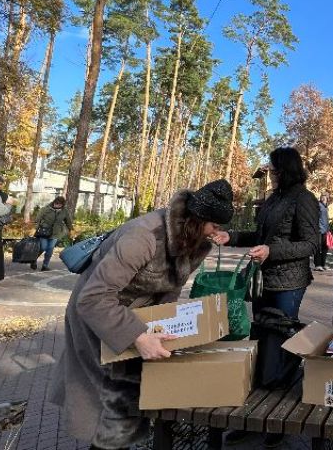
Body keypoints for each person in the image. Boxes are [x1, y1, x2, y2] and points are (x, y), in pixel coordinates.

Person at [48, 179, 235, 450]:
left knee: (130, 401)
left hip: (138, 317)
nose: (216, 233)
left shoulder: (194, 241)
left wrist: (166, 326)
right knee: (114, 404)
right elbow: (93, 299)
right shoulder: (143, 237)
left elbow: (172, 288)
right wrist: (138, 335)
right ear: (197, 219)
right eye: (215, 226)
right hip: (101, 316)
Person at [224, 147, 319, 321]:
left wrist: (271, 251)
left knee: (279, 336)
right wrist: (231, 237)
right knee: (260, 332)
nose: (271, 176)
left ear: (285, 171)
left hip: (288, 285)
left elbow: (311, 244)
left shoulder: (304, 199)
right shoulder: (274, 198)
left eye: (274, 172)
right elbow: (262, 236)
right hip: (264, 279)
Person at [32, 196, 73, 271]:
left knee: (50, 250)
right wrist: (34, 228)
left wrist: (71, 230)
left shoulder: (64, 211)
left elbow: (68, 222)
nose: (57, 205)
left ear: (62, 205)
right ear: (54, 202)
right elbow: (38, 219)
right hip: (44, 232)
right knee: (43, 247)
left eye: (59, 204)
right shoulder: (46, 209)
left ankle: (45, 265)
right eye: (56, 203)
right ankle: (33, 260)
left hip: (55, 233)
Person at [314, 193, 331, 272]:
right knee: (318, 247)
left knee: (325, 247)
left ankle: (323, 264)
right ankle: (317, 265)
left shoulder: (325, 207)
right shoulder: (318, 206)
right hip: (319, 230)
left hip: (325, 230)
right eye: (322, 197)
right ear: (320, 198)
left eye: (325, 198)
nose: (324, 199)